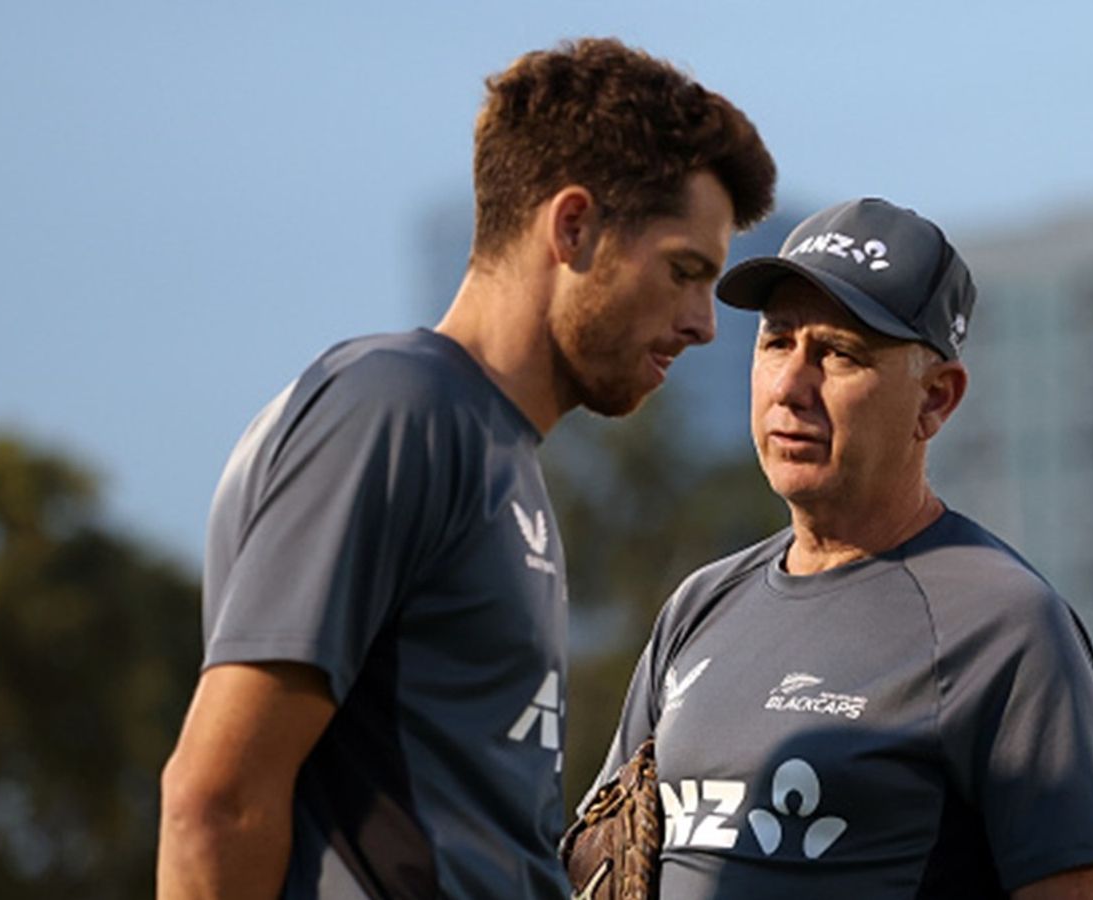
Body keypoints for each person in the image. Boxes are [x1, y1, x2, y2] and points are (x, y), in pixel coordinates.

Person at [157, 38, 775, 900]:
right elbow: (214, 800)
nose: (705, 323)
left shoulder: (495, 453)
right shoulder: (396, 412)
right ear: (573, 226)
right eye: (684, 271)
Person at [587, 198, 1093, 898]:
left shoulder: (1005, 627)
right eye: (776, 342)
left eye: (839, 353)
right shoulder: (699, 606)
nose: (790, 387)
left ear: (936, 399)